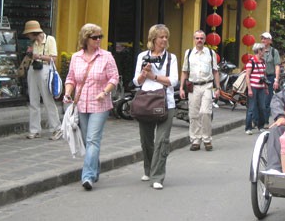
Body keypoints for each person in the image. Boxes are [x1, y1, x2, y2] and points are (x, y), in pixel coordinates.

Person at [63, 23, 119, 191]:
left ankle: (87, 176)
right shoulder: (76, 57)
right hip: (81, 104)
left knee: (93, 139)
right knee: (89, 142)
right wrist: (68, 92)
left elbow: (114, 78)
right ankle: (95, 170)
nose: (98, 40)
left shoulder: (106, 56)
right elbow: (71, 78)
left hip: (100, 105)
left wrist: (105, 92)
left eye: (100, 37)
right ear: (86, 39)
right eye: (95, 37)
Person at [132, 24, 178, 190]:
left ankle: (157, 176)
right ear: (153, 39)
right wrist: (144, 74)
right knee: (146, 140)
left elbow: (173, 81)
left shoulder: (171, 58)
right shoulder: (143, 56)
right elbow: (136, 82)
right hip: (146, 101)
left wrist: (154, 76)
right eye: (161, 37)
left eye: (166, 37)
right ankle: (148, 169)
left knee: (161, 141)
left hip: (166, 102)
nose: (164, 40)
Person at [179, 30, 221, 151]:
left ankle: (207, 139)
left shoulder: (210, 53)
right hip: (193, 86)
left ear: (204, 40)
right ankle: (195, 140)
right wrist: (181, 87)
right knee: (193, 113)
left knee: (206, 112)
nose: (199, 40)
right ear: (194, 39)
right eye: (197, 38)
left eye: (201, 38)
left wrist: (218, 88)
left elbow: (215, 71)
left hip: (207, 85)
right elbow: (184, 71)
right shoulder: (189, 53)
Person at [22, 20, 62, 140]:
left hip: (45, 69)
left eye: (29, 34)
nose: (28, 36)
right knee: (33, 100)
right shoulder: (33, 43)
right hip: (33, 69)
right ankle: (34, 129)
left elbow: (54, 58)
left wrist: (38, 56)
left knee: (48, 100)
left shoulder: (50, 39)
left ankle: (57, 128)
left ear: (34, 33)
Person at [244, 43, 267, 135]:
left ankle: (260, 126)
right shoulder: (251, 62)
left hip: (261, 88)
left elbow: (264, 75)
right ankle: (248, 127)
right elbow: (247, 76)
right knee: (251, 108)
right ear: (259, 51)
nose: (264, 52)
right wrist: (249, 89)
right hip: (253, 87)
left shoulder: (263, 61)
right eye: (263, 50)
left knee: (262, 107)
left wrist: (265, 87)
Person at [261, 32, 281, 128]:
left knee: (267, 100)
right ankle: (256, 120)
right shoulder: (259, 50)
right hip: (259, 77)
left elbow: (277, 66)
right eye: (262, 38)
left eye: (265, 39)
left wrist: (276, 80)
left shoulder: (274, 52)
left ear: (270, 40)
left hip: (269, 77)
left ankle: (265, 121)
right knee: (258, 99)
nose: (263, 40)